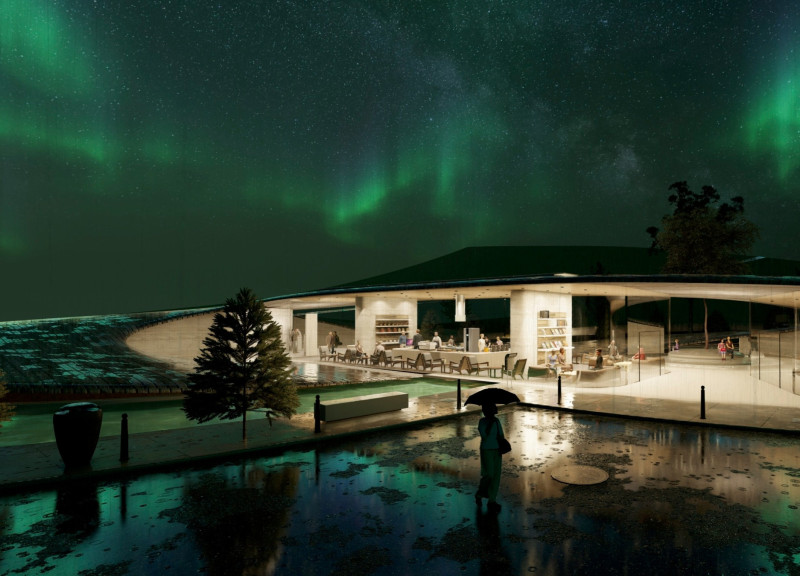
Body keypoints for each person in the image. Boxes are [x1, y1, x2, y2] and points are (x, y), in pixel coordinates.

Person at [476, 403, 505, 513]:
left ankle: (492, 500)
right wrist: (490, 424)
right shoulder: (482, 422)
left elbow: (501, 435)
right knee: (489, 474)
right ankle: (480, 494)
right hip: (486, 450)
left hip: (497, 450)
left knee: (496, 475)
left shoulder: (497, 421)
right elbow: (484, 435)